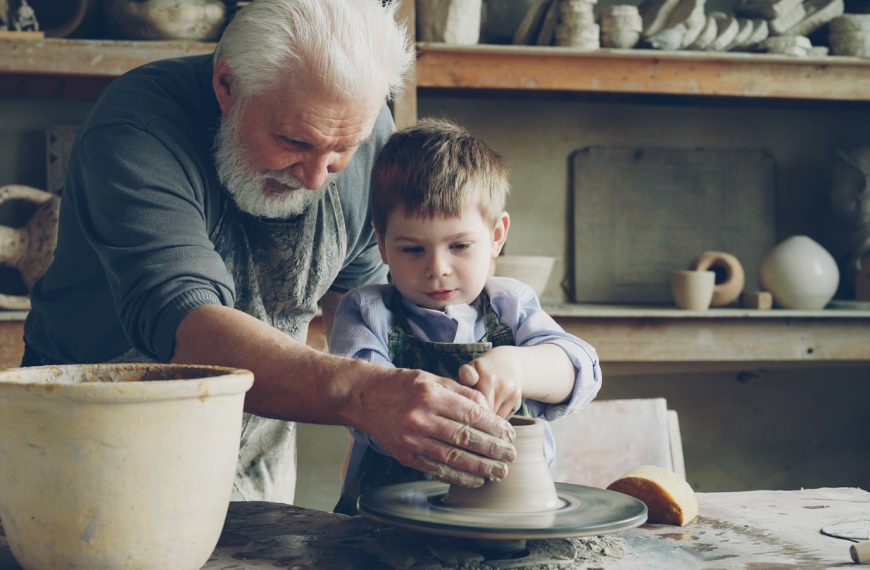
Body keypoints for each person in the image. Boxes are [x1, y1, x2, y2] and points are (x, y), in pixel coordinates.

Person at [22, 0, 518, 504]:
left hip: (259, 459)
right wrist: (362, 395)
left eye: (344, 149)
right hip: (93, 456)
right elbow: (190, 333)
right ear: (227, 85)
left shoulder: (370, 143)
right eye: (294, 141)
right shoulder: (138, 128)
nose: (316, 176)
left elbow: (364, 311)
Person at [330, 119, 602, 515]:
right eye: (412, 250)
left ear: (496, 236)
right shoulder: (368, 312)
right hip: (387, 523)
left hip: (508, 516)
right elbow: (362, 402)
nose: (437, 268)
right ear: (381, 244)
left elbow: (583, 372)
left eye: (459, 245)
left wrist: (519, 366)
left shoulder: (509, 304)